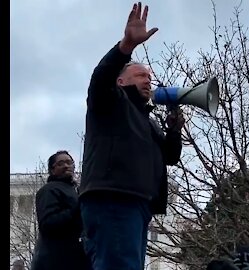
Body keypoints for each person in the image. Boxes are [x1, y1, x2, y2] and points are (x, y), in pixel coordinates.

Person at [78, 2, 184, 270]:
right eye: (140, 75)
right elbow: (100, 77)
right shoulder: (110, 103)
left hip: (137, 204)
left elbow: (170, 157)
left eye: (150, 76)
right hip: (113, 198)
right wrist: (126, 46)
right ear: (121, 81)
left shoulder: (147, 122)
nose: (148, 80)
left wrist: (174, 128)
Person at [30, 150, 91, 270]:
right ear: (52, 170)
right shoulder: (49, 190)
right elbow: (48, 223)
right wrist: (77, 208)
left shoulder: (76, 190)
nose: (66, 166)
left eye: (69, 162)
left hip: (75, 258)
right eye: (61, 163)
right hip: (55, 260)